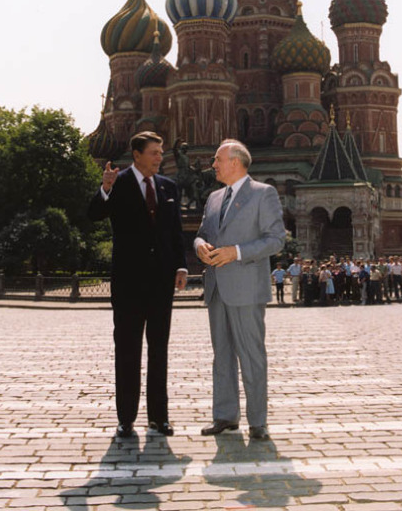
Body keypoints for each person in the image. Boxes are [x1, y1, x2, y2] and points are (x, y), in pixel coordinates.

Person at [88, 131, 187, 438]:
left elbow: (175, 230)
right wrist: (104, 188)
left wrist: (180, 265)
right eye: (154, 152)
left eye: (161, 152)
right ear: (137, 155)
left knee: (159, 350)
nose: (160, 157)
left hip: (161, 283)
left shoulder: (168, 186)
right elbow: (94, 214)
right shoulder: (118, 183)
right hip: (129, 284)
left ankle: (159, 417)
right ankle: (126, 419)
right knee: (128, 350)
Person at [194, 140, 286, 440]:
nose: (214, 165)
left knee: (251, 355)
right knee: (222, 354)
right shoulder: (214, 198)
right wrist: (199, 246)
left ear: (235, 162)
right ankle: (225, 415)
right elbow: (202, 234)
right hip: (216, 288)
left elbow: (276, 240)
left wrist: (237, 252)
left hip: (246, 287)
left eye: (217, 159)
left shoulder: (264, 193)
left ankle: (258, 421)